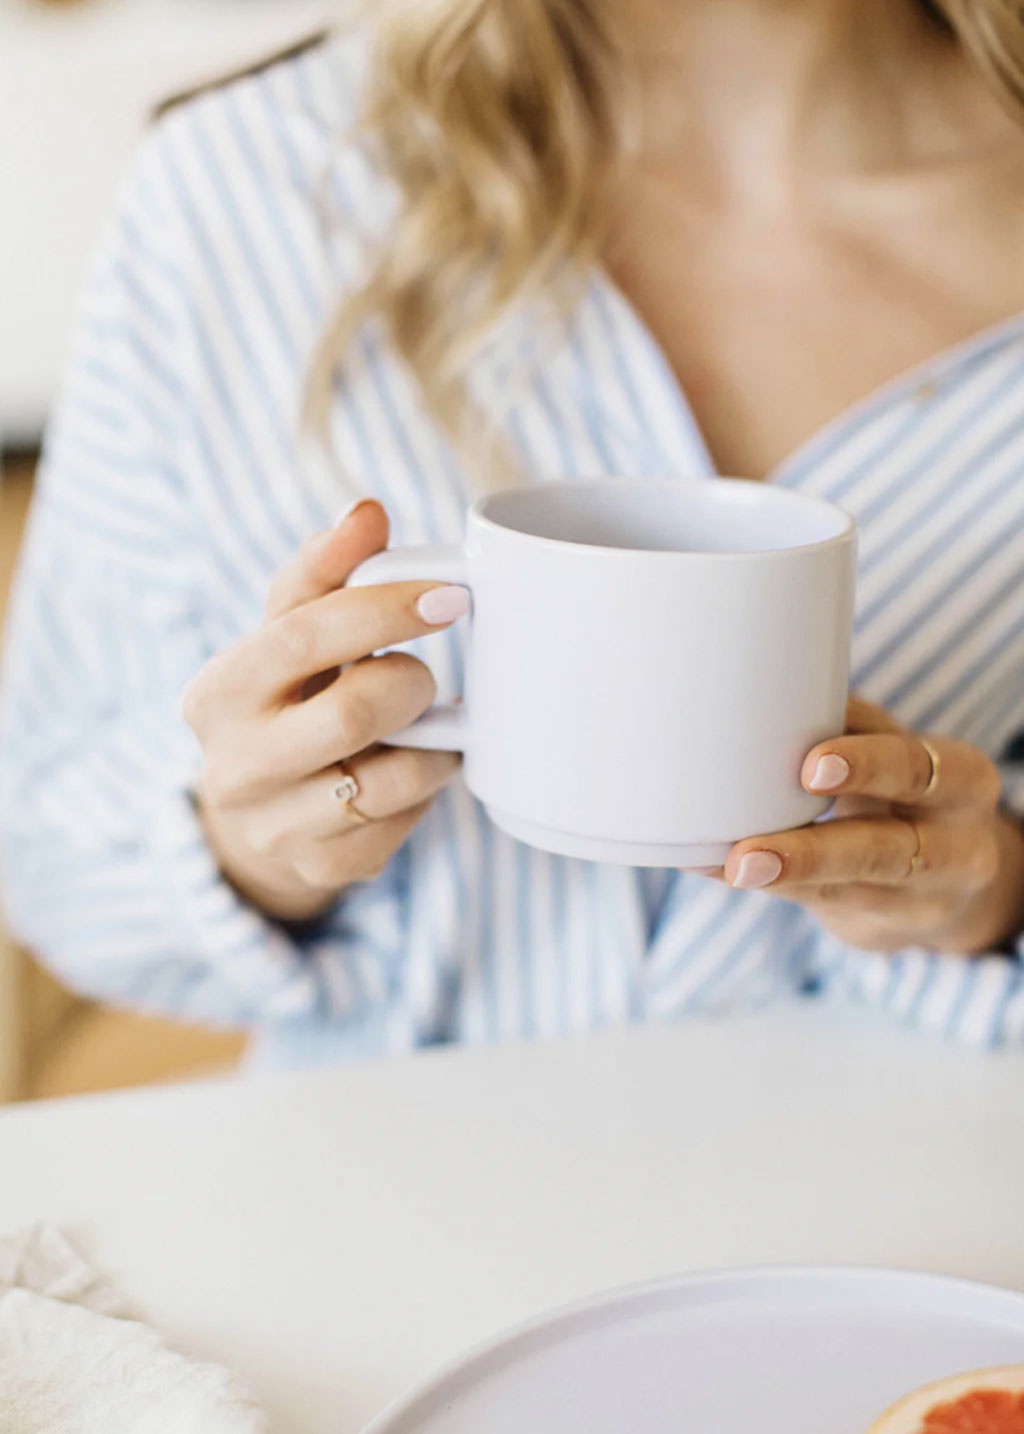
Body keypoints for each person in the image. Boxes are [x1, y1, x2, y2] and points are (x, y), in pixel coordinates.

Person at [2, 0, 1023, 1071]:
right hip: (394, 1201)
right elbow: (58, 858)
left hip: (907, 1197)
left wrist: (991, 887)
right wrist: (251, 849)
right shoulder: (248, 192)